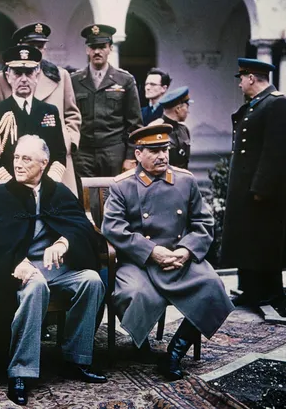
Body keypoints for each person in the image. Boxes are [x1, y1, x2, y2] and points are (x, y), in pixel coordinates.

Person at [0, 135, 107, 406]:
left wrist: (63, 243)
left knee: (92, 280)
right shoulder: (2, 194)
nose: (18, 164)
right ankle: (20, 372)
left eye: (26, 159)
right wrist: (17, 262)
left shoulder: (59, 192)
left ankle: (76, 359)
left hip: (57, 269)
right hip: (22, 271)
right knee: (36, 286)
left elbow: (82, 227)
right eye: (16, 157)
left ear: (44, 163)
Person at [102, 124, 234, 381]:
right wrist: (151, 251)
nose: (162, 156)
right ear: (138, 154)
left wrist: (187, 250)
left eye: (165, 149)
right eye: (154, 151)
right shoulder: (122, 186)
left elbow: (203, 222)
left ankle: (174, 353)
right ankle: (140, 345)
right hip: (139, 261)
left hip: (177, 258)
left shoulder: (185, 180)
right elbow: (113, 227)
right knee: (134, 293)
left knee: (212, 286)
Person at [221, 58, 286, 308]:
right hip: (247, 186)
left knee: (265, 239)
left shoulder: (277, 104)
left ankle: (271, 291)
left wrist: (261, 187)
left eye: (241, 78)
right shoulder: (257, 105)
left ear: (251, 77)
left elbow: (277, 151)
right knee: (248, 239)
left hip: (263, 188)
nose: (240, 84)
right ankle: (249, 289)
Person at [0, 22, 82, 196]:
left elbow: (72, 113)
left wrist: (70, 141)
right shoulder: (3, 79)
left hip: (56, 156)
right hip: (20, 157)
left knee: (60, 201)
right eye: (32, 46)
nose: (37, 50)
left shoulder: (60, 76)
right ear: (21, 47)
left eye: (41, 46)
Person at [0, 45, 67, 185]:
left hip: (45, 188)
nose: (23, 79)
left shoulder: (50, 111)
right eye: (17, 73)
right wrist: (14, 188)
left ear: (36, 76)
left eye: (28, 73)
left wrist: (47, 184)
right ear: (8, 77)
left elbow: (59, 155)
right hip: (9, 188)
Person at [71, 24, 142, 177]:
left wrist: (131, 157)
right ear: (87, 49)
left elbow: (134, 123)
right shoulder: (74, 80)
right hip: (83, 154)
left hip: (114, 152)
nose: (97, 51)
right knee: (84, 191)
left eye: (102, 47)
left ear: (110, 48)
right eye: (93, 47)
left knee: (114, 190)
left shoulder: (124, 80)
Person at [148, 86, 193, 169]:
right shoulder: (155, 128)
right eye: (187, 107)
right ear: (178, 109)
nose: (188, 111)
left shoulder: (184, 130)